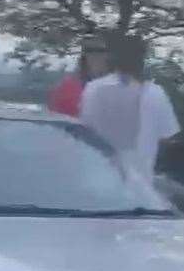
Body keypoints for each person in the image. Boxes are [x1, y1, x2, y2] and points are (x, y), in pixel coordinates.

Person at [81, 35, 180, 182]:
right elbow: (167, 137)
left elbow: (84, 129)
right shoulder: (155, 93)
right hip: (137, 187)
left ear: (112, 58)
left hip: (97, 181)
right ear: (142, 60)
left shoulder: (92, 89)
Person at [48, 36, 110, 117]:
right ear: (84, 56)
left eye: (101, 51)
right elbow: (54, 119)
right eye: (90, 51)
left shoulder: (118, 88)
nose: (96, 55)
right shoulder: (66, 87)